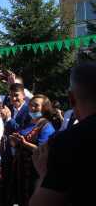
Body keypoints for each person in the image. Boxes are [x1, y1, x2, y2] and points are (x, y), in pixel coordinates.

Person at [29, 62, 96, 206]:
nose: (33, 108)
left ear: (71, 98)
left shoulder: (66, 142)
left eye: (36, 105)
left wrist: (44, 175)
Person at [7, 94, 55, 206]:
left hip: (34, 170)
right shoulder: (28, 123)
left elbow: (42, 150)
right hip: (21, 168)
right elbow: (18, 142)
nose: (32, 108)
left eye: (36, 105)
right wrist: (14, 142)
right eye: (31, 105)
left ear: (45, 108)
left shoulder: (46, 126)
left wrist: (24, 143)